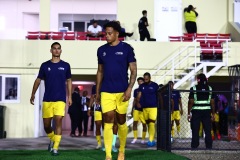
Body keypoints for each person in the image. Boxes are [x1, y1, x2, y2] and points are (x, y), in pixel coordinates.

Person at [96, 21, 137, 160]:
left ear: (117, 34)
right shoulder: (101, 50)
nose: (106, 36)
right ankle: (108, 155)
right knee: (107, 120)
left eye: (109, 33)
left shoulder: (127, 49)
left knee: (121, 121)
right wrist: (97, 92)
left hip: (122, 91)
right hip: (106, 91)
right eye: (105, 33)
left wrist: (129, 88)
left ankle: (121, 150)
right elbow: (100, 72)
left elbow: (133, 70)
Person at [30, 42, 72, 156]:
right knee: (47, 126)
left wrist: (70, 96)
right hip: (47, 99)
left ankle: (55, 148)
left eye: (59, 48)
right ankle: (52, 138)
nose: (57, 50)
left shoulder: (66, 65)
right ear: (51, 50)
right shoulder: (44, 65)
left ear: (61, 51)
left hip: (60, 99)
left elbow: (69, 81)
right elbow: (38, 80)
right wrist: (33, 94)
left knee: (58, 121)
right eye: (54, 48)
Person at [187, 73, 215, 149]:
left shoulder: (194, 88)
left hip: (196, 112)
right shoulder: (210, 88)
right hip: (207, 112)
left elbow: (191, 102)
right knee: (207, 130)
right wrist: (213, 114)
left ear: (198, 80)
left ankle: (194, 146)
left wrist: (189, 113)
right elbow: (212, 102)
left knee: (195, 129)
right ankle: (209, 146)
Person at [136, 72, 159, 147]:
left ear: (150, 78)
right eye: (144, 79)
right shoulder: (142, 86)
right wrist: (138, 102)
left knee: (152, 122)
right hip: (144, 107)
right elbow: (139, 95)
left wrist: (160, 105)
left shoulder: (155, 85)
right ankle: (151, 138)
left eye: (147, 79)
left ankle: (150, 140)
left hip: (153, 107)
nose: (145, 80)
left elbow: (159, 95)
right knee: (148, 123)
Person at [131, 77, 147, 144]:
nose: (140, 82)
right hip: (136, 109)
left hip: (143, 109)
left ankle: (143, 139)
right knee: (135, 123)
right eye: (139, 81)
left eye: (141, 81)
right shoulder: (136, 90)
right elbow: (134, 100)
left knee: (144, 124)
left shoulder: (146, 90)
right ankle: (135, 138)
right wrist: (132, 108)